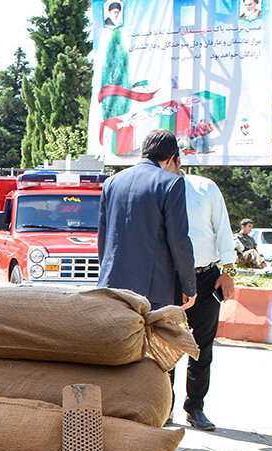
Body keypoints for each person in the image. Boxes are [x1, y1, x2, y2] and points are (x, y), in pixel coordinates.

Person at [97, 129, 196, 310]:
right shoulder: (172, 183)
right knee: (146, 338)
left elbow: (103, 238)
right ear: (170, 158)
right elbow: (178, 240)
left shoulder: (112, 182)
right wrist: (188, 285)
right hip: (152, 291)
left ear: (142, 152)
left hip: (111, 284)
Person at [181, 170, 237, 431]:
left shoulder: (205, 187)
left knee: (202, 346)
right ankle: (162, 407)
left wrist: (228, 272)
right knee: (162, 344)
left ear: (176, 159)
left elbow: (223, 228)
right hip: (170, 278)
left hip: (206, 277)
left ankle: (195, 407)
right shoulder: (156, 188)